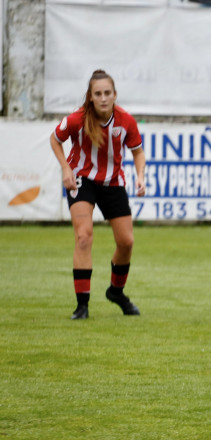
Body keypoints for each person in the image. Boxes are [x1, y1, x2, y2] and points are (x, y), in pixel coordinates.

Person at [50, 69, 146, 320]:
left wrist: (140, 176)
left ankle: (116, 292)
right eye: (98, 94)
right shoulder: (77, 119)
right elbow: (55, 139)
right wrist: (65, 168)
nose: (103, 98)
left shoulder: (126, 121)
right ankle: (82, 306)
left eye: (107, 93)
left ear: (115, 94)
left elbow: (137, 151)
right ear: (90, 97)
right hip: (82, 180)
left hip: (113, 183)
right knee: (84, 236)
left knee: (126, 242)